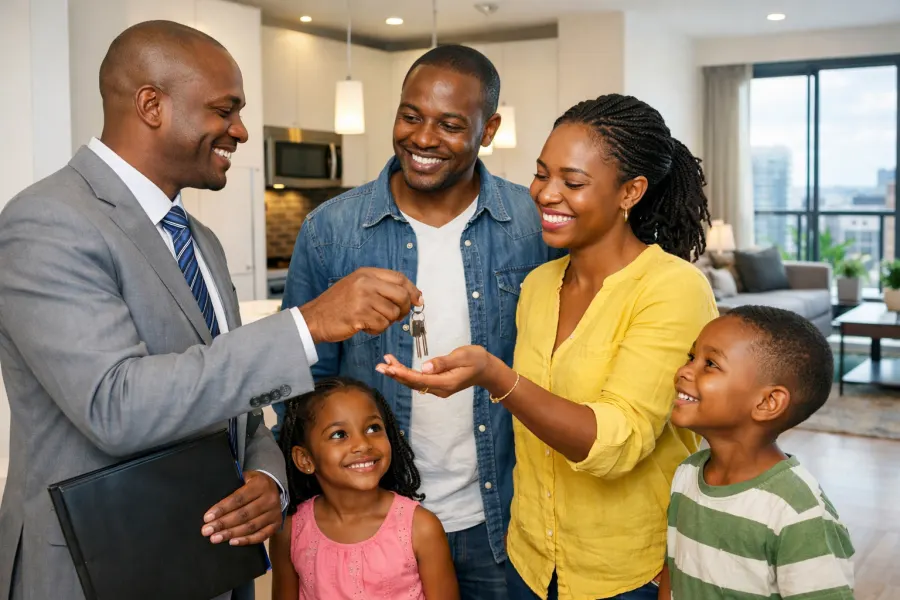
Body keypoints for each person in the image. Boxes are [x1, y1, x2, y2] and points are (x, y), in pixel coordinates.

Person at [0, 21, 420, 600]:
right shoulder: (48, 222)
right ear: (152, 105)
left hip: (210, 565)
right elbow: (113, 404)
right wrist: (306, 324)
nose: (241, 130)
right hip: (96, 571)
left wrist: (269, 480)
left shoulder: (199, 239)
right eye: (225, 110)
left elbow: (237, 407)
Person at [377, 94, 719, 599]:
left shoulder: (672, 288)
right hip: (530, 561)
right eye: (541, 174)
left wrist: (495, 377)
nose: (546, 193)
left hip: (624, 572)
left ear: (631, 191)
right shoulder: (538, 285)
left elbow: (616, 444)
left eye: (573, 182)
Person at [277, 45, 559, 598]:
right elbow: (301, 387)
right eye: (410, 116)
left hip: (500, 518)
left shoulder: (532, 224)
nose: (423, 138)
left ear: (489, 128)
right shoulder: (330, 230)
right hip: (367, 520)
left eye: (450, 125)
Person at [658, 306, 855, 600]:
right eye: (691, 357)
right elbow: (673, 572)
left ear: (768, 402)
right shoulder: (687, 475)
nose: (684, 370)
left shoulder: (797, 512)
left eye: (709, 363)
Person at [269, 377, 459, 600]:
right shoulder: (291, 532)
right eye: (339, 434)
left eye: (373, 428)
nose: (362, 444)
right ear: (305, 459)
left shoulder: (421, 528)